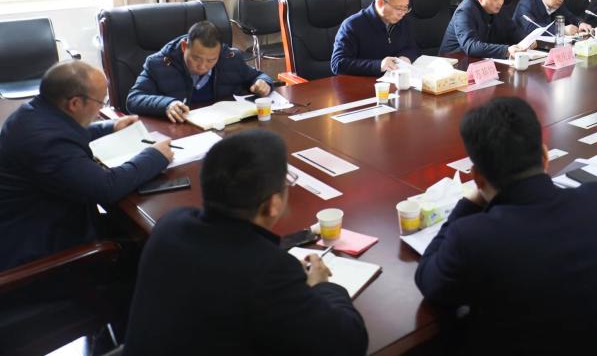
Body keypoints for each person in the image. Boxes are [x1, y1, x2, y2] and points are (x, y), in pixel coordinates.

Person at [415, 98, 597, 356]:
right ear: (545, 157)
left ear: (477, 178)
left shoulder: (473, 237)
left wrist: (468, 203)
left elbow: (429, 281)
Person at [123, 130, 367, 356]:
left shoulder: (171, 224)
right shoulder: (270, 272)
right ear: (273, 204)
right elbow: (348, 344)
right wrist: (322, 286)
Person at [0, 61, 171, 271]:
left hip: (41, 217)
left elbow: (65, 132)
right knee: (156, 249)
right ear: (74, 103)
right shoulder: (47, 144)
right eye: (101, 102)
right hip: (40, 249)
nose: (100, 110)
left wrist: (110, 127)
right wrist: (155, 156)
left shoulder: (32, 113)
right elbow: (107, 188)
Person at [127, 20, 273, 122]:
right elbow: (134, 99)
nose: (202, 66)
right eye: (196, 58)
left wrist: (263, 82)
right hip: (182, 131)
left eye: (211, 60)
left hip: (223, 126)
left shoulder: (229, 58)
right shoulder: (159, 64)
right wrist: (166, 104)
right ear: (184, 47)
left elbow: (258, 76)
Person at [331, 0, 420, 76]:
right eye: (398, 8)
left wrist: (406, 57)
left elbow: (412, 48)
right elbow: (338, 64)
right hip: (365, 82)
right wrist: (379, 65)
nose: (402, 13)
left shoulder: (403, 20)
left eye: (406, 7)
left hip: (396, 80)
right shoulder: (352, 25)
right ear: (380, 3)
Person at [439, 0, 529, 59]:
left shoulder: (496, 8)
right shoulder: (464, 11)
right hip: (454, 62)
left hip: (481, 61)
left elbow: (512, 30)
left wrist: (527, 42)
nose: (500, 2)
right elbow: (471, 46)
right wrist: (506, 50)